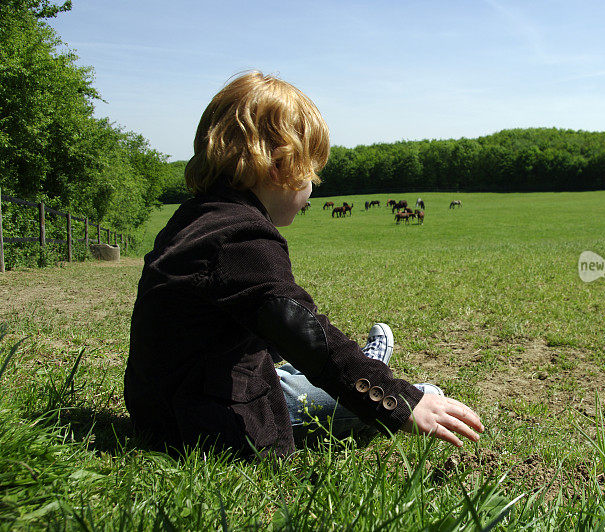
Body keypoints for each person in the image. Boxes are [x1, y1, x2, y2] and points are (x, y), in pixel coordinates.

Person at [124, 71, 483, 458]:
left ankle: (362, 364)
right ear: (279, 166)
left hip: (159, 405)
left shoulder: (193, 220)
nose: (311, 188)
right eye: (310, 172)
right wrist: (401, 400)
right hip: (206, 422)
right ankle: (376, 374)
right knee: (387, 395)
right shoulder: (244, 238)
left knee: (285, 369)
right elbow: (306, 334)